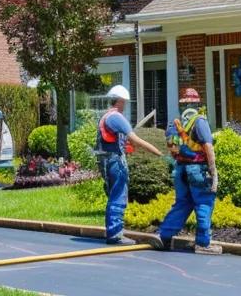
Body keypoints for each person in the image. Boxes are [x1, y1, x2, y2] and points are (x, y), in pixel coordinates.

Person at [153, 87, 221, 254]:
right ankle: (203, 244)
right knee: (204, 203)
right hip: (197, 169)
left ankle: (164, 236)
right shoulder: (200, 121)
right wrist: (214, 173)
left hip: (180, 170)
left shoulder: (174, 123)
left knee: (183, 203)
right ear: (197, 104)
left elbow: (172, 148)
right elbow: (208, 146)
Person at [95, 84, 163, 245]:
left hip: (106, 160)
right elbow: (135, 139)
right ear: (118, 101)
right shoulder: (116, 117)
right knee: (118, 196)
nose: (125, 104)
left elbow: (123, 142)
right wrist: (158, 152)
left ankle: (113, 231)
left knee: (114, 196)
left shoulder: (105, 117)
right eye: (124, 101)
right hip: (115, 162)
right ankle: (115, 234)